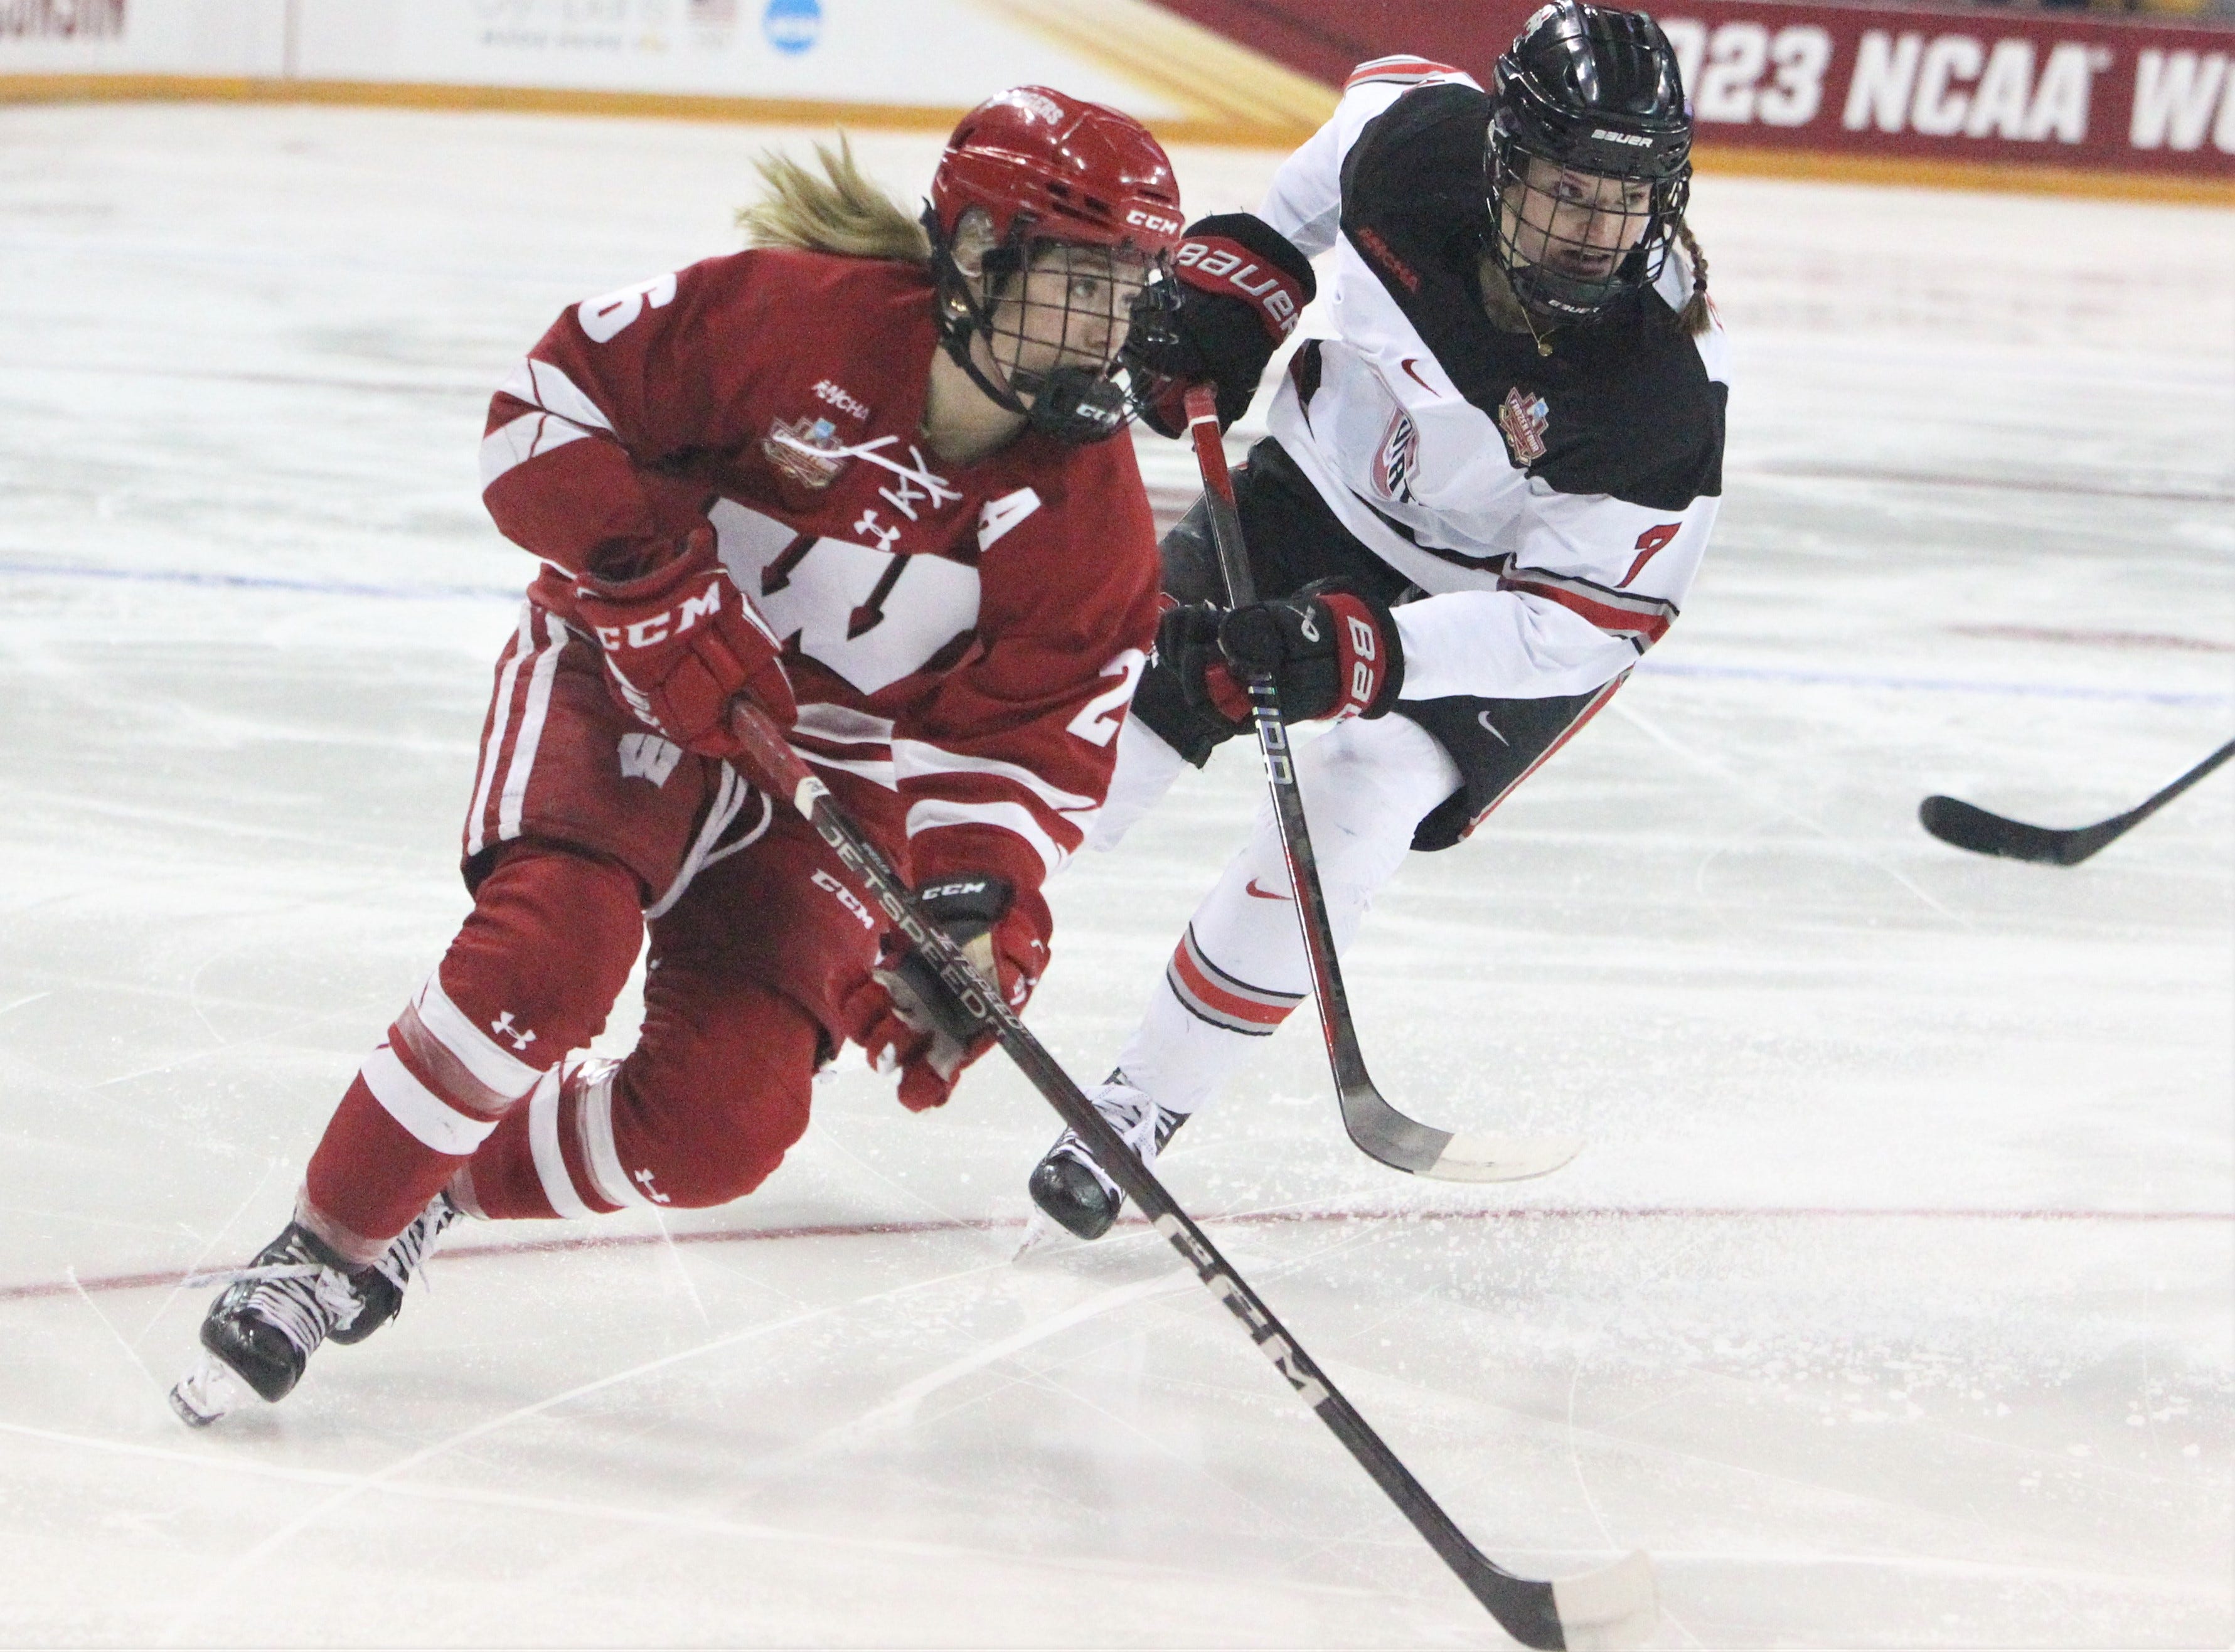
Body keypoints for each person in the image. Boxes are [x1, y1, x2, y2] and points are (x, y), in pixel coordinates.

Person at [170, 87, 1200, 1424]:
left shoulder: (1087, 511)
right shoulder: (790, 323)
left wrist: (977, 908)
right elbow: (539, 415)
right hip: (626, 683)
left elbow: (1030, 748)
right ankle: (324, 1247)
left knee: (717, 1132)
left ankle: (443, 1189)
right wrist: (652, 583)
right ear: (975, 254)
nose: (1104, 332)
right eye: (1078, 284)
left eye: (1127, 291)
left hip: (833, 784)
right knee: (549, 955)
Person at [1026, 1, 1731, 1240]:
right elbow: (1286, 215)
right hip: (1321, 489)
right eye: (1566, 192)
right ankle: (957, 907)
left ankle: (1138, 1106)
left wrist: (1363, 652)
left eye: (1623, 204)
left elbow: (1569, 627)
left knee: (1359, 791)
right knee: (1145, 689)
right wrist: (1228, 289)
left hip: (1500, 603)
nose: (1592, 233)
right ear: (1502, 156)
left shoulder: (1658, 388)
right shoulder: (1411, 144)